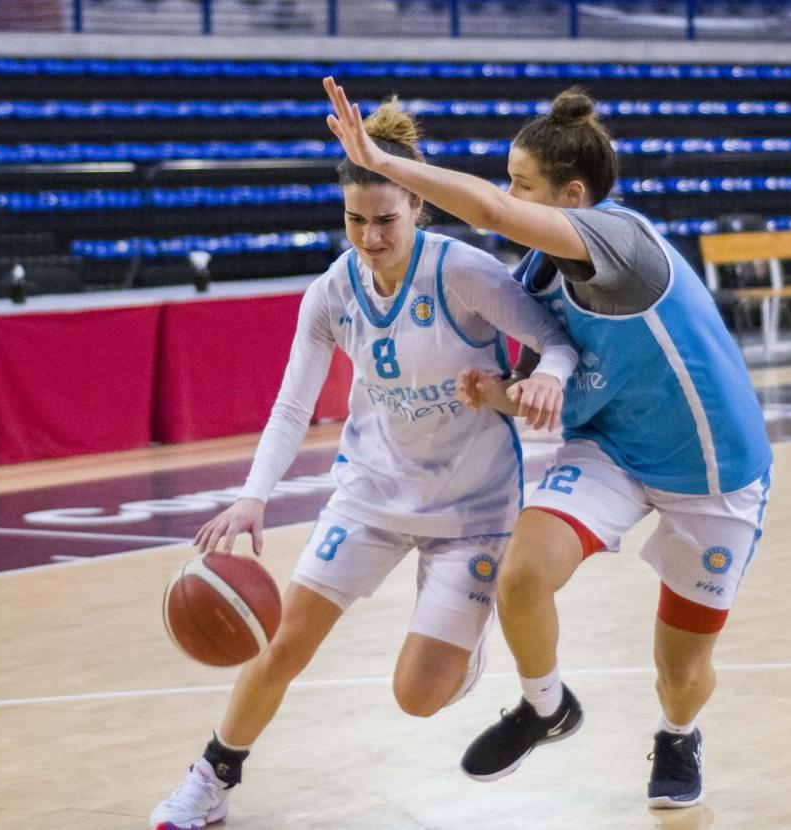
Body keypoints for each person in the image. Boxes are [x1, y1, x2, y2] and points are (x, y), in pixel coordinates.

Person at [324, 78, 773, 808]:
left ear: (571, 198)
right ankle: (545, 706)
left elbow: (489, 211)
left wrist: (383, 162)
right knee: (522, 574)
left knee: (680, 671)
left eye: (521, 185)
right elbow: (546, 377)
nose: (507, 196)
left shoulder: (622, 243)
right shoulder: (537, 272)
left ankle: (676, 733)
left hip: (712, 470)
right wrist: (503, 392)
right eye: (507, 179)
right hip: (614, 451)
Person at [150, 99, 577, 829]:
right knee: (281, 641)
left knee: (417, 696)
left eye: (386, 219)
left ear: (418, 205)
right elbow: (291, 408)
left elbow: (558, 341)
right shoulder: (333, 291)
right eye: (355, 221)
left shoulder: (464, 273)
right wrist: (254, 497)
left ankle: (461, 646)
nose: (371, 236)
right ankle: (211, 776)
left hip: (473, 510)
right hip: (371, 493)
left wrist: (547, 379)